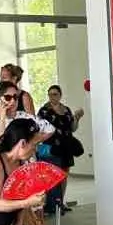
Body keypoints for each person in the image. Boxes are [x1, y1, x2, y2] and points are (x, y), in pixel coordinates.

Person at [38, 84, 85, 215]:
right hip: (52, 147)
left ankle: (60, 203)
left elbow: (72, 128)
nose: (52, 97)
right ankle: (50, 204)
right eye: (50, 94)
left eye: (55, 94)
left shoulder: (66, 110)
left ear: (60, 95)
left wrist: (77, 118)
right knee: (52, 176)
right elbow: (39, 127)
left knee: (63, 175)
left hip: (66, 146)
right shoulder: (44, 111)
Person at [0, 81, 54, 151]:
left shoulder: (25, 116)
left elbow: (50, 129)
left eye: (15, 97)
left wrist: (32, 142)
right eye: (8, 97)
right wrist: (2, 118)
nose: (13, 101)